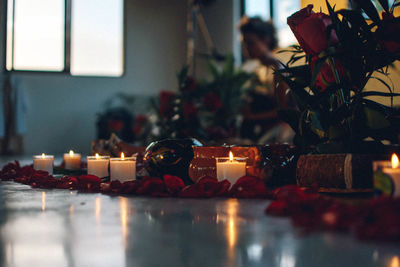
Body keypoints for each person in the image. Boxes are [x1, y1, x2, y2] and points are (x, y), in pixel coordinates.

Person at [239, 17, 294, 143]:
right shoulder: (258, 70)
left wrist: (251, 117)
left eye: (250, 43)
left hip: (281, 132)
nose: (246, 47)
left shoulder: (278, 68)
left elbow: (283, 112)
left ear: (265, 40)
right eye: (245, 43)